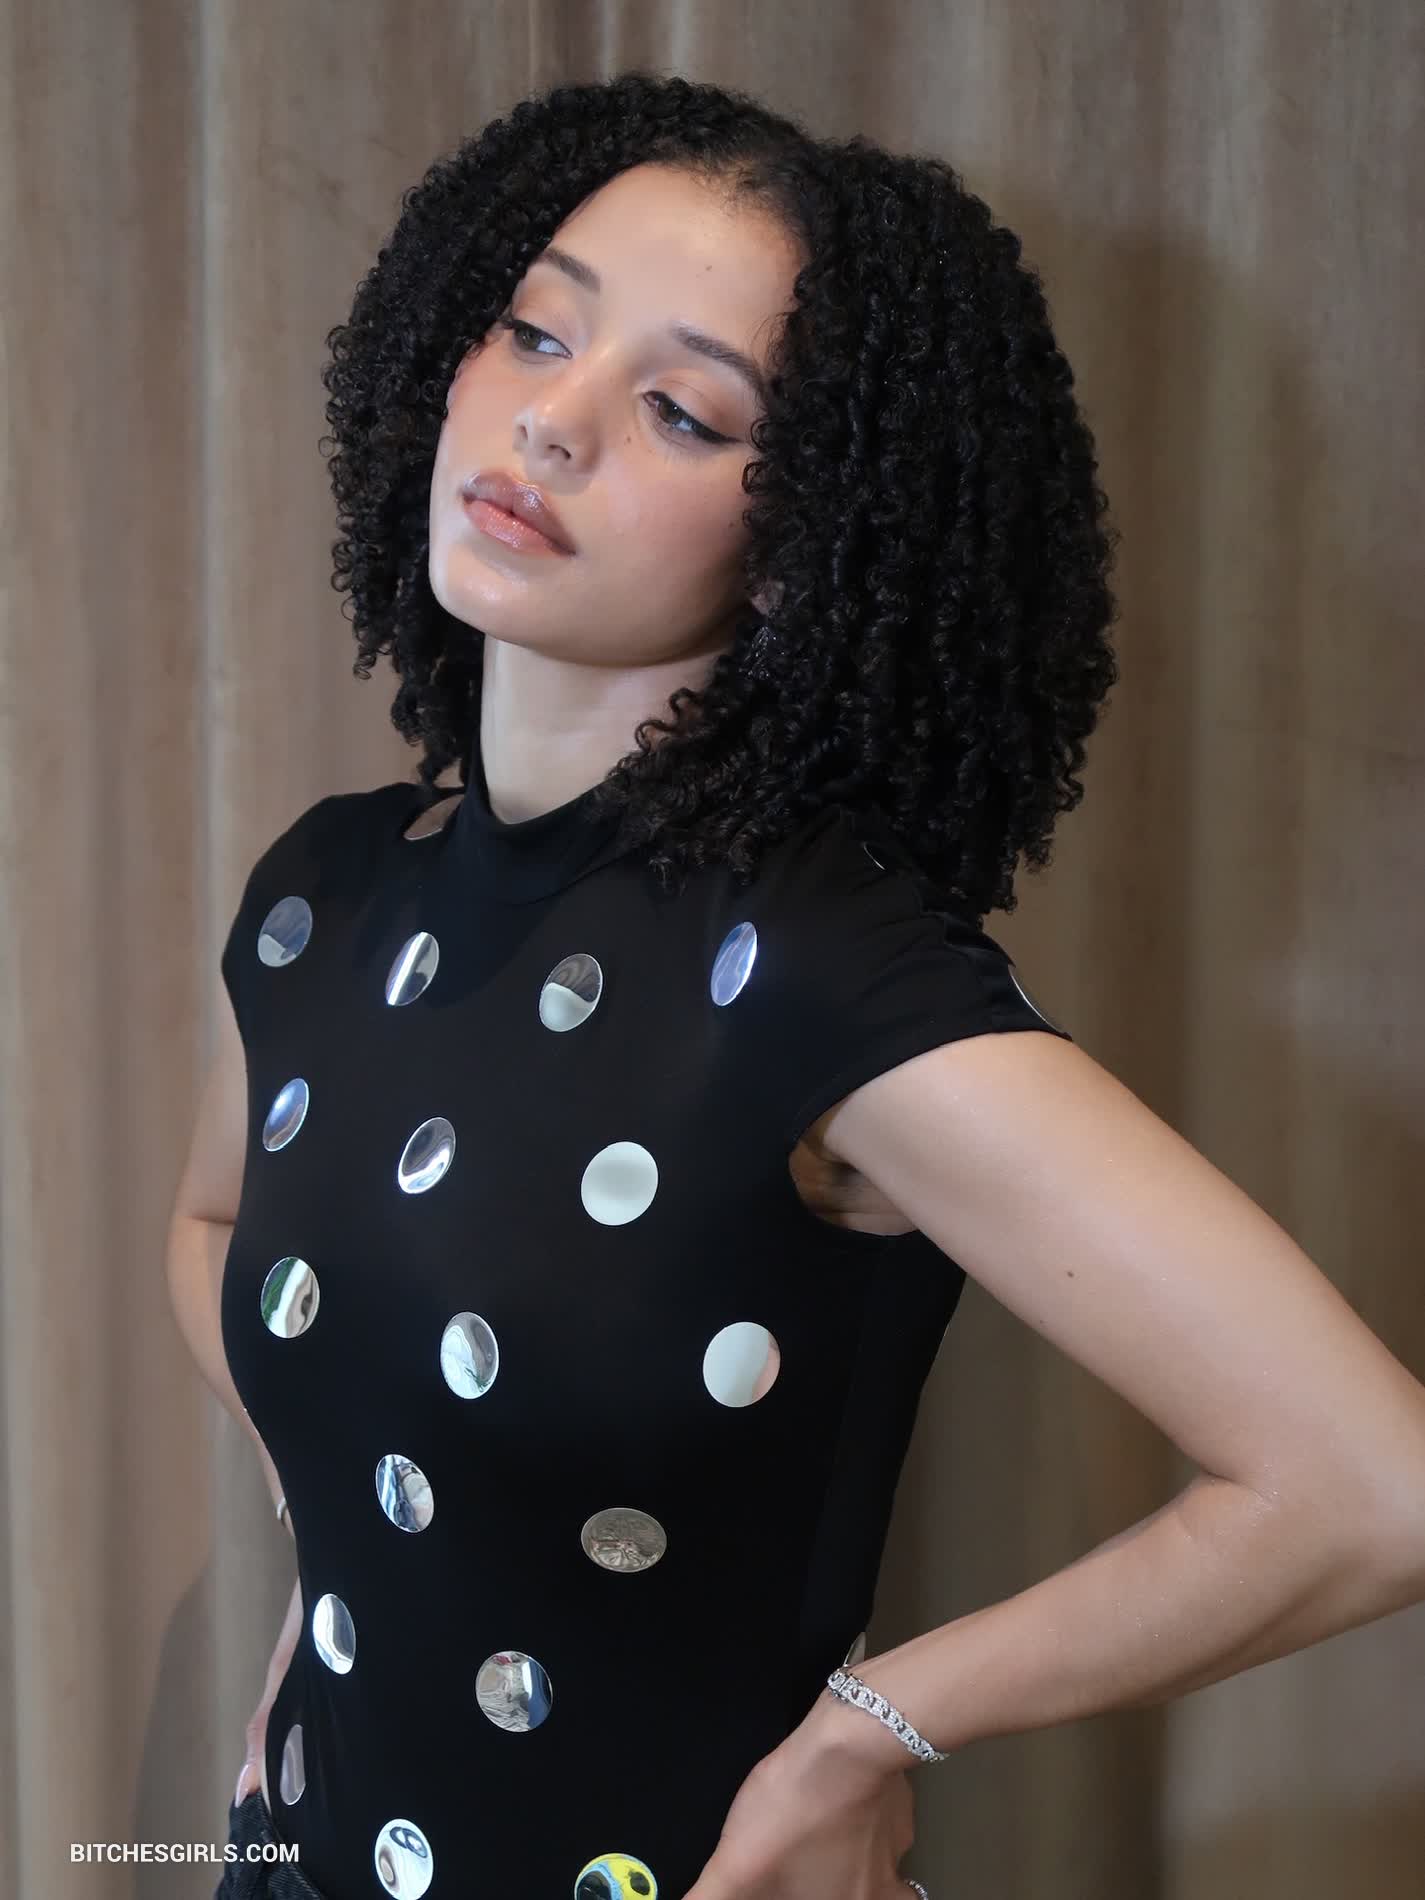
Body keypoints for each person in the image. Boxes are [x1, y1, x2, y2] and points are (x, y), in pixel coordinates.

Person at [166, 68, 1425, 1900]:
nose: (551, 423)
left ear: (806, 546)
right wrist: (357, 1511)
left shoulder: (820, 973)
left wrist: (877, 1732)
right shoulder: (323, 898)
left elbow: (1365, 1485)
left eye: (682, 410)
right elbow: (211, 1223)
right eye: (534, 332)